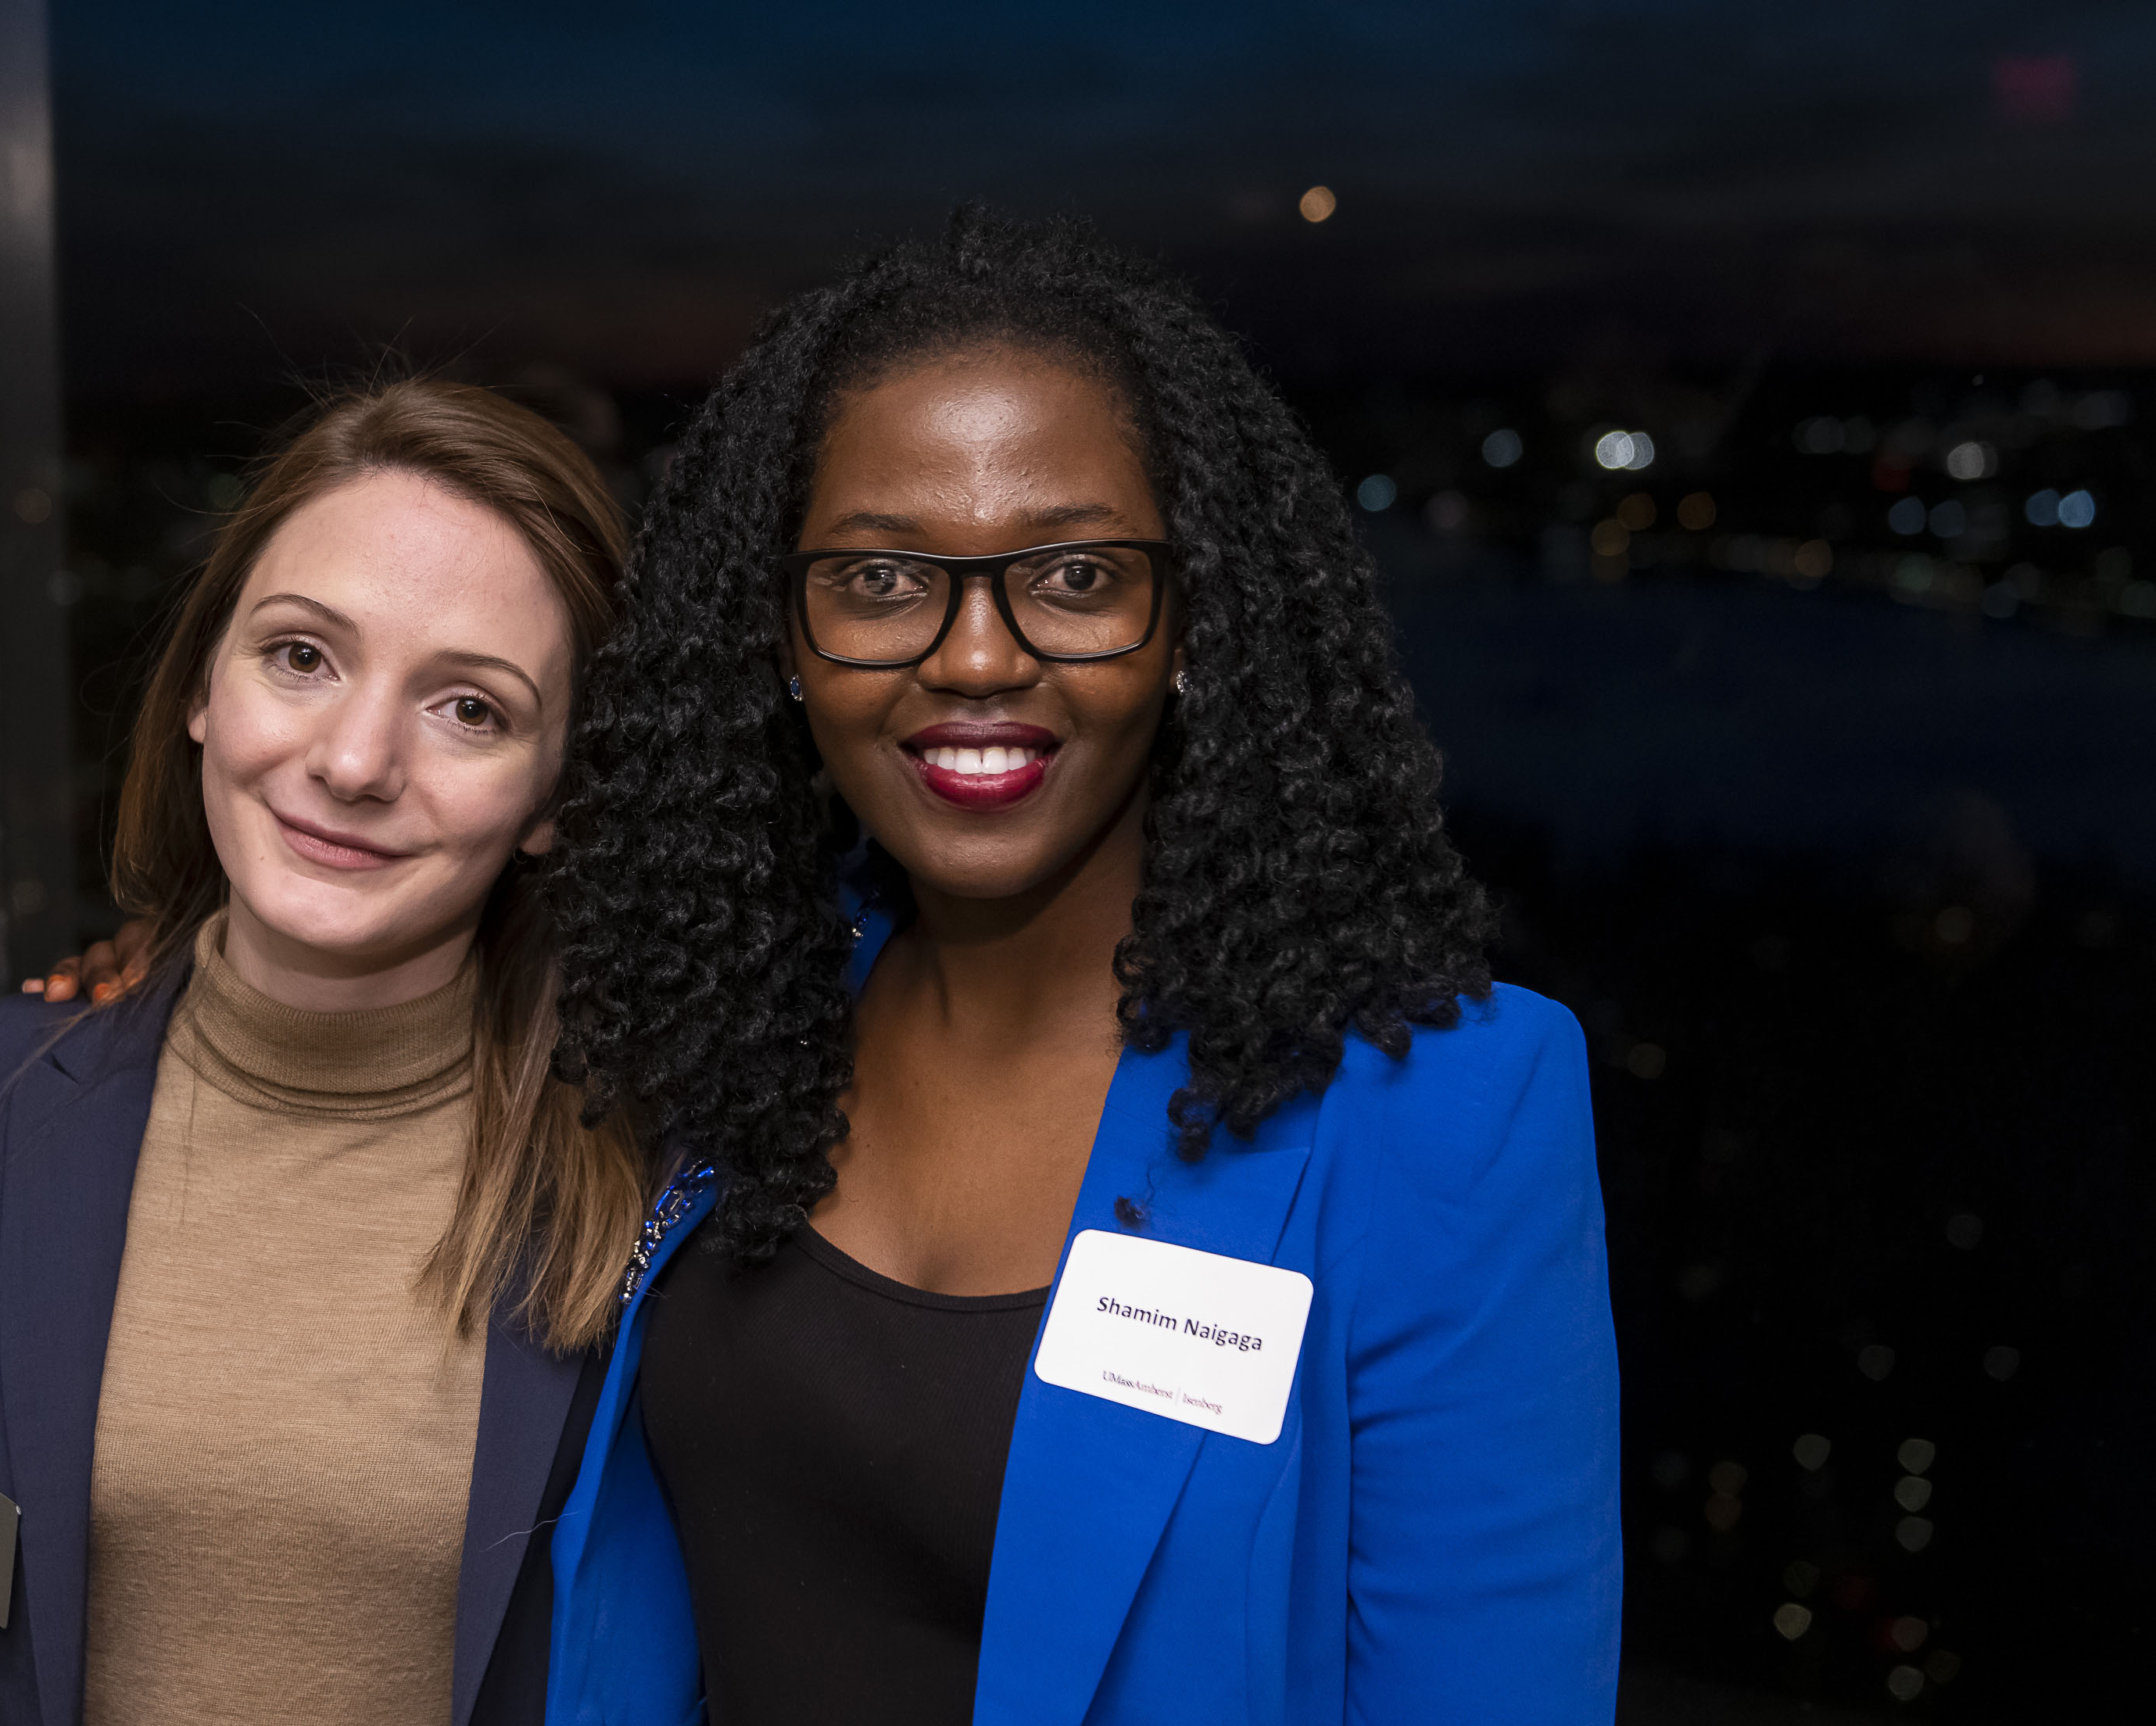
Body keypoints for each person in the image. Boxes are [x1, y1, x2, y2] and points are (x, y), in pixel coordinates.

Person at [543, 210, 1622, 1724]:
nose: (976, 657)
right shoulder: (726, 1005)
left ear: (1191, 622)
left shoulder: (1441, 1112)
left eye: (1072, 575)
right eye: (879, 579)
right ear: (782, 634)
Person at [0, 380, 648, 1726]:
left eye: (470, 710)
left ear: (555, 797)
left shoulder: (655, 1170)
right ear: (205, 683)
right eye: (302, 656)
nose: (356, 760)